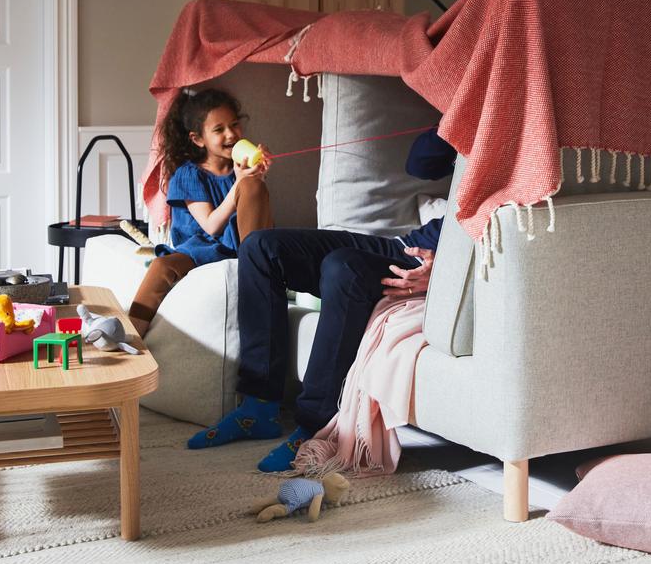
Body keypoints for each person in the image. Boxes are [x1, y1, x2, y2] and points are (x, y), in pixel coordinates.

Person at [187, 127, 456, 472]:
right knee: (260, 247)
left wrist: (446, 269)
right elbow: (421, 163)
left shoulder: (529, 151)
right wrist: (459, 113)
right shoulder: (478, 119)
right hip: (402, 245)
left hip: (432, 261)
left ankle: (315, 427)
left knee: (341, 266)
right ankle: (257, 408)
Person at [128, 88, 274, 337]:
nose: (231, 134)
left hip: (240, 248)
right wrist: (239, 184)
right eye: (219, 130)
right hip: (198, 250)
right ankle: (131, 334)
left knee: (254, 186)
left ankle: (260, 267)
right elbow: (211, 226)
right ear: (198, 139)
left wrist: (255, 181)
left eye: (234, 125)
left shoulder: (240, 172)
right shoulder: (188, 175)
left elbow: (256, 217)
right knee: (162, 266)